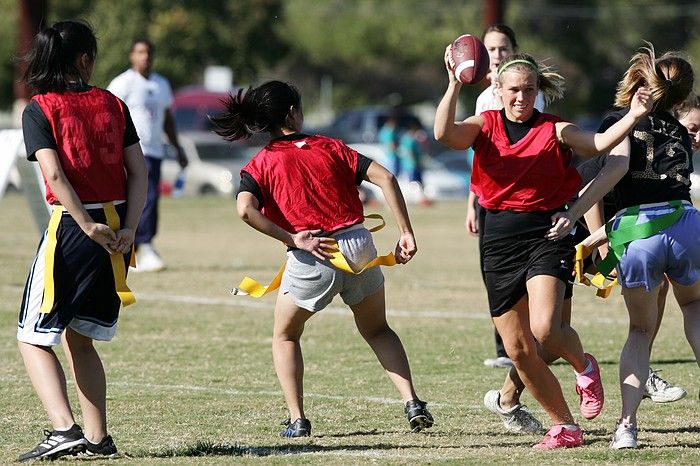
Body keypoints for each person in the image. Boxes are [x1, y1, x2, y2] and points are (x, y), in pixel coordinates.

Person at [435, 49, 651, 448]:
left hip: (547, 234)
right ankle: (565, 427)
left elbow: (601, 142)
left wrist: (634, 115)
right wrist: (452, 84)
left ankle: (584, 366)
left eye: (529, 90)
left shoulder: (555, 129)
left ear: (538, 92)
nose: (522, 97)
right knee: (518, 350)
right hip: (497, 240)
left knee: (545, 329)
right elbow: (444, 135)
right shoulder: (484, 124)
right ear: (498, 91)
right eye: (514, 90)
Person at [210, 81, 433, 437]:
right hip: (359, 247)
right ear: (292, 113)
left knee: (285, 336)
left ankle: (298, 420)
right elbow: (387, 178)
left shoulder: (261, 162)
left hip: (313, 255)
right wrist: (406, 232)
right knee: (377, 329)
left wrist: (291, 237)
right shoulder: (330, 146)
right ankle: (412, 402)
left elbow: (244, 210)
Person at [550, 46, 697, 448]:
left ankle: (627, 427)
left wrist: (573, 213)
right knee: (695, 311)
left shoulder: (621, 121)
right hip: (686, 222)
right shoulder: (681, 130)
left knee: (638, 330)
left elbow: (614, 168)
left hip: (639, 231)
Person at [16, 20, 147, 461]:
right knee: (80, 338)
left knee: (32, 336)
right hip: (116, 225)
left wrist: (86, 226)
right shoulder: (113, 102)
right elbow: (139, 171)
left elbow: (53, 174)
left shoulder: (40, 107)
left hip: (76, 227)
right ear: (85, 59)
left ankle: (64, 429)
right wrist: (129, 227)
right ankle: (97, 438)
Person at [470, 23, 546, 370]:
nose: (497, 55)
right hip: (491, 200)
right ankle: (505, 347)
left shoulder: (528, 92)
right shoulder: (484, 97)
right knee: (494, 275)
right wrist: (472, 201)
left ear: (514, 49)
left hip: (528, 201)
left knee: (530, 275)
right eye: (491, 50)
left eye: (502, 48)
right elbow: (481, 156)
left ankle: (532, 340)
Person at [107, 38, 187, 272]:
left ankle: (142, 246)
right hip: (130, 150)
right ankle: (136, 245)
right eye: (140, 52)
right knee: (134, 197)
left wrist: (177, 147)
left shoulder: (161, 84)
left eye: (149, 52)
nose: (145, 57)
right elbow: (108, 115)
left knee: (150, 198)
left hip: (154, 151)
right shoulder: (123, 83)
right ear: (132, 56)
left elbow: (167, 120)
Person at [399, 121, 431, 205]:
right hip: (411, 164)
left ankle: (421, 198)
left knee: (418, 182)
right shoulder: (410, 139)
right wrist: (415, 162)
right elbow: (410, 152)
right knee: (413, 182)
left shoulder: (409, 138)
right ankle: (415, 199)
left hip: (412, 164)